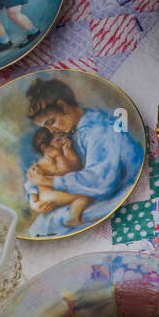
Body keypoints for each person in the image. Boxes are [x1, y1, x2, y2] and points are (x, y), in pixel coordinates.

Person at [23, 76, 143, 237]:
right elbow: (41, 169)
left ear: (62, 105)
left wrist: (49, 181)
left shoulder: (98, 129)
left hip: (122, 190)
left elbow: (101, 181)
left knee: (51, 223)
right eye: (46, 126)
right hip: (91, 193)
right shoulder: (68, 131)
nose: (51, 130)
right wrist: (33, 199)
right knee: (43, 223)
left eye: (51, 122)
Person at [27, 126, 90, 228]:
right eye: (58, 140)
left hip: (57, 193)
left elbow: (75, 167)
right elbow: (65, 171)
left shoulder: (62, 155)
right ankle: (74, 219)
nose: (63, 141)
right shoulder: (43, 164)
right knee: (82, 198)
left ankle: (74, 218)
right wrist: (33, 202)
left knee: (85, 195)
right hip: (48, 196)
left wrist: (68, 150)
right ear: (45, 148)